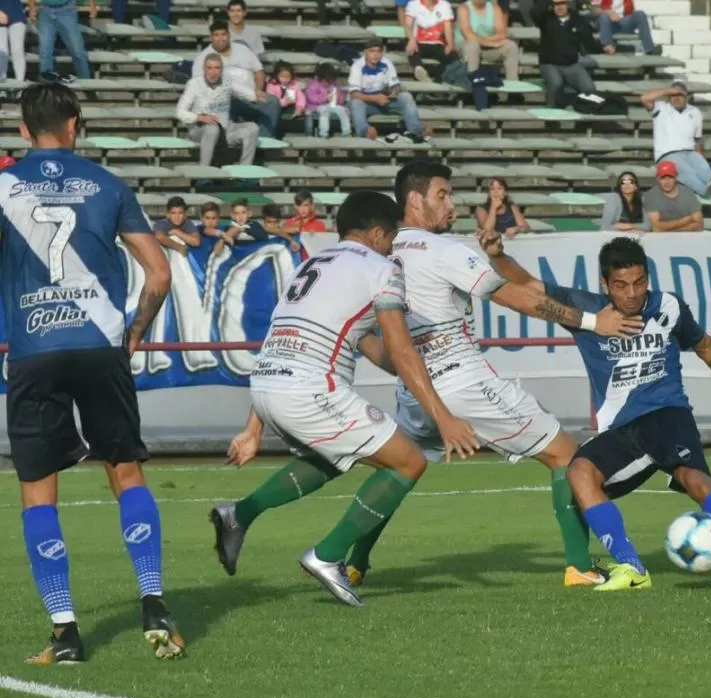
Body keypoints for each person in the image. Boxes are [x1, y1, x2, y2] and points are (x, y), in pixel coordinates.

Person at [212, 161, 645, 591]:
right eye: (443, 194)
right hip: (461, 384)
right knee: (564, 455)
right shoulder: (440, 251)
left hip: (408, 389)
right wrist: (592, 322)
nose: (451, 204)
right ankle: (579, 566)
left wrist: (254, 424)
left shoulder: (362, 256)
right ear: (414, 200)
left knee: (393, 465)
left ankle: (355, 561)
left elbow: (376, 344)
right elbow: (515, 297)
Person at [213, 191, 478, 607]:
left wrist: (253, 427)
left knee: (331, 458)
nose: (393, 247)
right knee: (408, 462)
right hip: (309, 390)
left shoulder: (313, 263)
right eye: (391, 238)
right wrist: (443, 417)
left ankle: (238, 515)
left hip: (267, 384)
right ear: (377, 233)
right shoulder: (381, 267)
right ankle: (328, 556)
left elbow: (365, 345)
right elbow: (402, 349)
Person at [479, 234, 711, 590]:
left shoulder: (668, 306)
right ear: (605, 284)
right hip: (623, 430)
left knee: (665, 475)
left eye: (639, 283)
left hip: (668, 413)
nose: (632, 293)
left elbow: (704, 345)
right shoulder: (586, 310)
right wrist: (498, 255)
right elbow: (526, 284)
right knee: (600, 473)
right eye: (621, 285)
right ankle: (663, 557)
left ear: (647, 278)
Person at [0, 83, 181, 663]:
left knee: (38, 494)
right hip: (101, 346)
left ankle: (66, 632)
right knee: (125, 473)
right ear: (75, 125)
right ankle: (152, 602)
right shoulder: (109, 185)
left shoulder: (4, 187)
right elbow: (157, 274)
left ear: (23, 131)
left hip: (33, 349)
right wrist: (134, 332)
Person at [640, 81, 711, 202]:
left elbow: (697, 140)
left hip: (690, 151)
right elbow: (644, 98)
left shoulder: (695, 112)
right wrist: (668, 91)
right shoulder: (661, 108)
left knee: (704, 169)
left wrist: (700, 158)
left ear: (687, 97)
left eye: (680, 95)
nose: (676, 98)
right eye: (673, 95)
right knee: (687, 173)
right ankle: (708, 192)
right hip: (667, 153)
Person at [191, 20, 281, 139]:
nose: (221, 38)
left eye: (223, 34)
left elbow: (259, 70)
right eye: (216, 35)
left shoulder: (242, 49)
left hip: (250, 98)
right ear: (211, 37)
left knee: (272, 102)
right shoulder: (203, 58)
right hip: (223, 100)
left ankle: (263, 141)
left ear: (229, 35)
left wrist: (258, 89)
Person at [177, 52, 260, 168]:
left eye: (217, 68)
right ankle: (204, 170)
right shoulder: (194, 84)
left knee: (252, 128)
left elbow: (247, 93)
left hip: (225, 128)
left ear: (221, 70)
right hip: (200, 130)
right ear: (204, 69)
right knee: (212, 129)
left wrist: (258, 95)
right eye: (209, 68)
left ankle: (245, 171)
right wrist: (200, 117)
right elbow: (180, 112)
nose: (213, 72)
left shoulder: (227, 82)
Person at [348, 38, 424, 143]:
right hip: (366, 102)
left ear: (382, 52)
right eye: (372, 51)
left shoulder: (387, 63)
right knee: (355, 103)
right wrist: (374, 98)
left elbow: (396, 85)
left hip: (385, 100)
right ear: (365, 52)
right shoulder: (357, 67)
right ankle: (365, 132)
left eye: (378, 52)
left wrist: (394, 93)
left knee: (406, 97)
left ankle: (414, 132)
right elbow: (354, 94)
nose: (375, 55)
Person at [532, 0, 600, 108]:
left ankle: (582, 120)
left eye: (562, 4)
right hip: (549, 64)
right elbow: (535, 12)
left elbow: (589, 41)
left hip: (572, 64)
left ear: (568, 4)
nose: (559, 7)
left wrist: (605, 46)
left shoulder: (577, 20)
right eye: (556, 4)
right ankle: (551, 118)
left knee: (589, 89)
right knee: (556, 84)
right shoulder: (546, 18)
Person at [28, 0, 94, 81]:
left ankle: (86, 85)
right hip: (45, 11)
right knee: (45, 52)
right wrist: (32, 6)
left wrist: (92, 5)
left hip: (67, 11)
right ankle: (46, 86)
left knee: (78, 52)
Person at [456, 0, 520, 80]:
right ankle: (474, 84)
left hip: (488, 49)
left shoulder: (495, 8)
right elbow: (468, 35)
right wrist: (491, 43)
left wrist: (485, 42)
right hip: (466, 48)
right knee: (473, 45)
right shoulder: (464, 8)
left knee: (511, 46)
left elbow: (502, 34)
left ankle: (513, 84)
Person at [404, 0, 460, 82]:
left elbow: (448, 28)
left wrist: (450, 44)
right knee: (412, 48)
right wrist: (411, 40)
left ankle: (438, 79)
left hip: (438, 44)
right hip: (418, 43)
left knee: (453, 57)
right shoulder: (413, 4)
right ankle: (419, 69)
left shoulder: (445, 5)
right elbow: (407, 26)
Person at [643, 161, 703, 232]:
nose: (667, 181)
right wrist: (684, 221)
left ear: (676, 177)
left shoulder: (688, 193)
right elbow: (656, 227)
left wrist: (674, 229)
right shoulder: (650, 196)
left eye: (670, 177)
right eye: (663, 177)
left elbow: (699, 225)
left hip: (686, 237)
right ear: (657, 178)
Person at [589, 0, 654, 56]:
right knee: (604, 17)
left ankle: (650, 50)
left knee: (640, 14)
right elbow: (593, 10)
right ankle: (607, 46)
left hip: (623, 21)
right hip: (607, 23)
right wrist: (608, 12)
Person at [304, 62, 351, 138]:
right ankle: (323, 133)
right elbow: (311, 98)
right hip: (316, 106)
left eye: (332, 81)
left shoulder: (334, 84)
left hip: (332, 105)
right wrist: (325, 98)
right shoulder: (314, 84)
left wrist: (338, 99)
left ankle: (346, 132)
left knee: (343, 111)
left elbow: (341, 96)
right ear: (321, 78)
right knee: (324, 111)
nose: (330, 83)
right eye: (328, 81)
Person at [0, 0, 28, 84]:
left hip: (17, 14)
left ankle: (20, 85)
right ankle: (2, 86)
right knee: (2, 51)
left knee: (18, 50)